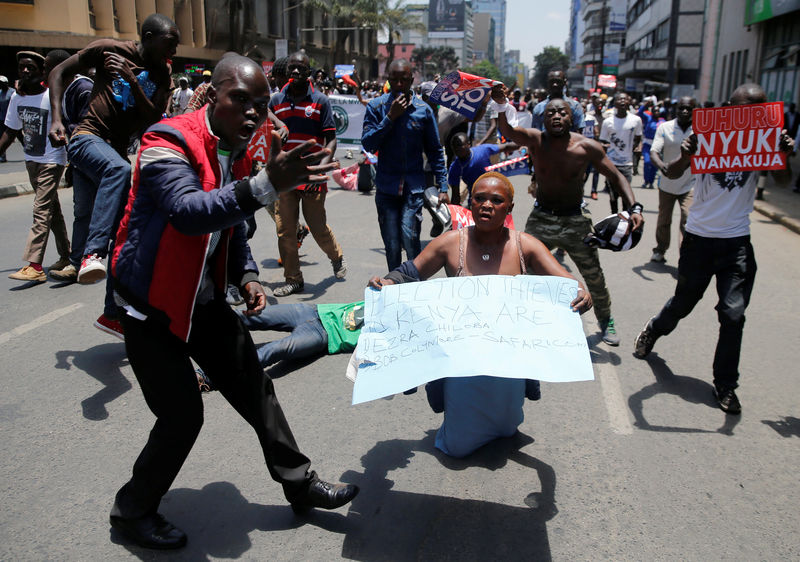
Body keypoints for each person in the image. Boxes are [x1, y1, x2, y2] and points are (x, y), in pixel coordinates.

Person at [106, 54, 357, 550]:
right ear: (213, 94)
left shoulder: (236, 150)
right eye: (240, 100)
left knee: (253, 385)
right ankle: (131, 509)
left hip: (202, 299)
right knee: (182, 417)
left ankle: (298, 483)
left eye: (261, 105)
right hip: (152, 305)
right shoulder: (166, 141)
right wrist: (268, 184)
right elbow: (187, 212)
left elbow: (232, 227)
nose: (251, 114)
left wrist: (244, 275)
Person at [368, 173, 592, 457]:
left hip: (508, 360)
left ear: (509, 208)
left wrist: (581, 292)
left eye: (496, 200)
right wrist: (388, 283)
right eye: (479, 198)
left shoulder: (526, 245)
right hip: (463, 361)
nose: (487, 205)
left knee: (507, 427)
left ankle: (504, 421)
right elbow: (410, 272)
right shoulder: (450, 243)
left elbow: (569, 283)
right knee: (458, 447)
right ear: (469, 203)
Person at [633, 83, 795, 415]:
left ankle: (725, 385)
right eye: (740, 107)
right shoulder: (707, 135)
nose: (747, 114)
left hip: (736, 242)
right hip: (699, 239)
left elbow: (780, 180)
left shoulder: (766, 139)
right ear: (728, 108)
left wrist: (784, 156)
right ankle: (654, 329)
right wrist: (688, 153)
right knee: (683, 303)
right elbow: (674, 171)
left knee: (733, 315)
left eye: (756, 109)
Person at [48, 13, 177, 337]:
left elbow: (153, 120)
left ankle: (112, 314)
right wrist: (57, 120)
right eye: (168, 43)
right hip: (86, 139)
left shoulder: (162, 74)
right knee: (118, 170)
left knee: (127, 233)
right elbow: (59, 70)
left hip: (115, 152)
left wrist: (133, 82)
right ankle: (92, 253)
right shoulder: (108, 49)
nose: (173, 51)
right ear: (147, 37)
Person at [491, 84, 644, 346]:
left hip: (575, 219)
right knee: (518, 268)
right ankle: (513, 319)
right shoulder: (536, 141)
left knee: (593, 275)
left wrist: (635, 207)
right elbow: (507, 131)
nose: (556, 117)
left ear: (571, 117)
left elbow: (616, 176)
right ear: (544, 118)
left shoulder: (588, 147)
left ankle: (606, 321)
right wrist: (502, 105)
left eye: (561, 112)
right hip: (542, 219)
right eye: (550, 113)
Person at [268, 51, 346, 296]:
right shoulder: (276, 101)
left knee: (317, 225)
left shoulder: (321, 101)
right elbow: (262, 113)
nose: (295, 72)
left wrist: (321, 168)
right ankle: (293, 278)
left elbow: (331, 140)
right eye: (291, 68)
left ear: (308, 73)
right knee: (285, 230)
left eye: (300, 68)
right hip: (285, 178)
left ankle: (336, 257)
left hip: (312, 175)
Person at [361, 59, 447, 271]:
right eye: (394, 80)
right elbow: (368, 144)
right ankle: (394, 284)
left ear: (411, 80)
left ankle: (413, 284)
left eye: (404, 80)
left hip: (413, 186)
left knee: (410, 236)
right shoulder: (376, 107)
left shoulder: (423, 110)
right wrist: (390, 118)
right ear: (388, 81)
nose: (399, 84)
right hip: (386, 185)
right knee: (391, 243)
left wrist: (443, 186)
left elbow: (435, 150)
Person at [0, 51, 70, 283]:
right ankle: (66, 256)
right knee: (53, 212)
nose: (26, 71)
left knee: (40, 210)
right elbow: (11, 131)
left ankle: (35, 265)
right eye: (22, 68)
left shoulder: (53, 95)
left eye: (31, 67)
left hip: (52, 159)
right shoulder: (17, 98)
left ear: (42, 72)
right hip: (32, 160)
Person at [240, 301, 364, 368]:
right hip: (312, 310)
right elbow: (378, 282)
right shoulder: (383, 294)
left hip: (323, 335)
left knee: (271, 351)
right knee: (246, 315)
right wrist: (375, 281)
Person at [648, 96, 696, 263]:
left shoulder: (700, 130)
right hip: (667, 183)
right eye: (681, 108)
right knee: (664, 220)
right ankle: (660, 250)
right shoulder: (665, 127)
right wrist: (662, 167)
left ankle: (686, 255)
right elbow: (654, 151)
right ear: (676, 109)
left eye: (689, 108)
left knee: (687, 218)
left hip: (690, 183)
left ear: (694, 110)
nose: (684, 111)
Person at [598, 92, 643, 214]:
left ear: (629, 101)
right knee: (613, 195)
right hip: (612, 164)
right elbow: (603, 141)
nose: (622, 101)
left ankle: (625, 218)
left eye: (625, 99)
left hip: (627, 164)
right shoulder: (608, 122)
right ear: (615, 103)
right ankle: (613, 216)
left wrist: (633, 149)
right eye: (619, 99)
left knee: (625, 194)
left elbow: (638, 137)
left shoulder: (636, 120)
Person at [448, 132, 517, 206]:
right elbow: (455, 196)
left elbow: (506, 147)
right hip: (476, 200)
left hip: (494, 194)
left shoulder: (482, 150)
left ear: (468, 144)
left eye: (459, 145)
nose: (456, 149)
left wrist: (524, 143)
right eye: (454, 146)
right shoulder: (454, 168)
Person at [0, 75, 15, 163]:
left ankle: (28, 151)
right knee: (2, 137)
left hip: (12, 118)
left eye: (2, 83)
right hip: (2, 119)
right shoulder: (0, 92)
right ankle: (2, 156)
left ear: (6, 83)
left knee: (19, 136)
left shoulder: (12, 92)